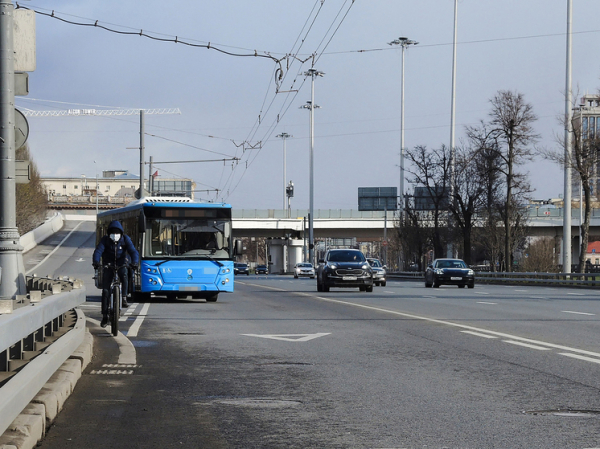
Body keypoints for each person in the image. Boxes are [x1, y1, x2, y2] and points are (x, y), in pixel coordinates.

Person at [92, 220, 139, 328]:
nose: (115, 235)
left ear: (121, 233)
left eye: (117, 233)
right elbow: (98, 251)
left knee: (125, 275)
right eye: (112, 233)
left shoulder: (126, 239)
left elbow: (133, 251)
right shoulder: (105, 240)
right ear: (109, 233)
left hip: (122, 263)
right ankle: (105, 315)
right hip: (108, 264)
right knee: (106, 290)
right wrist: (96, 262)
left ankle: (124, 297)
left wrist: (135, 262)